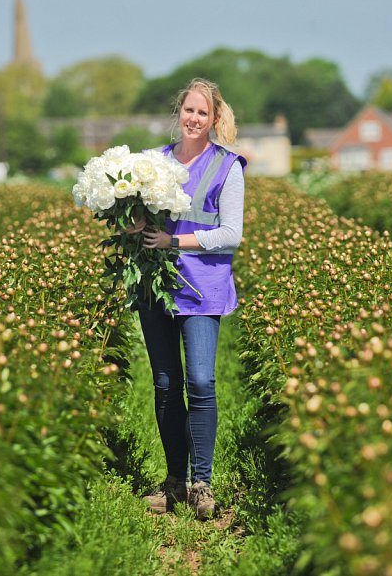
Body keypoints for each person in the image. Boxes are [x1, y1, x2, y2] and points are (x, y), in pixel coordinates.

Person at [128, 78, 246, 520]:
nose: (194, 119)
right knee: (165, 384)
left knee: (200, 382)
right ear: (178, 113)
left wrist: (176, 243)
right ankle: (175, 482)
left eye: (203, 113)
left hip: (202, 287)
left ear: (215, 119)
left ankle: (203, 483)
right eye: (188, 111)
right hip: (155, 287)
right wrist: (131, 227)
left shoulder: (227, 167)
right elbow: (136, 219)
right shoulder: (152, 162)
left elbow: (231, 235)